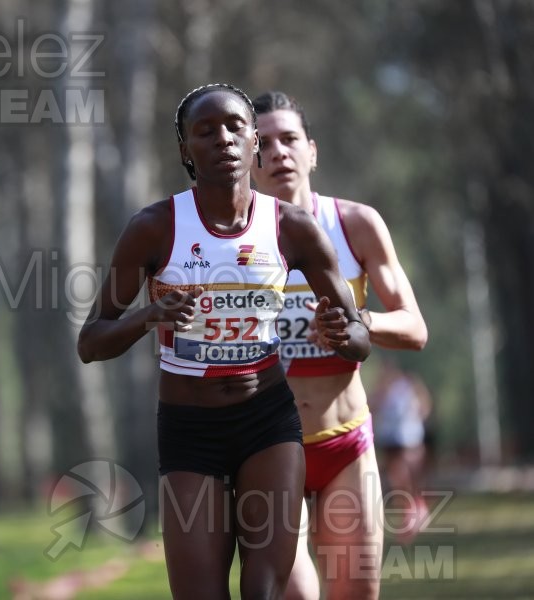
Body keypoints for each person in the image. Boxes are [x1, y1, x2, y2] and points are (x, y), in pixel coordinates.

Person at [77, 83, 370, 600]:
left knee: (264, 588)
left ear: (253, 140)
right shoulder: (154, 228)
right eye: (205, 131)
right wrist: (150, 315)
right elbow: (92, 341)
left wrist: (343, 333)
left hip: (268, 422)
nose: (224, 139)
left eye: (235, 127)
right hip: (191, 431)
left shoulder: (293, 228)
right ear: (185, 150)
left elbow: (358, 336)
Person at [250, 90, 428, 600]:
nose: (279, 152)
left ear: (312, 151)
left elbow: (415, 328)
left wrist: (356, 321)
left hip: (345, 443)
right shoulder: (231, 244)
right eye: (262, 144)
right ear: (247, 161)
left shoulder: (355, 224)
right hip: (266, 447)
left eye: (289, 139)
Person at [369, 360, 432, 544]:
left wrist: (415, 420)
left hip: (409, 439)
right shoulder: (383, 389)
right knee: (398, 480)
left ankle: (415, 511)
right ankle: (409, 515)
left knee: (407, 478)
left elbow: (424, 406)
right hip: (390, 440)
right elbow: (371, 406)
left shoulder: (410, 385)